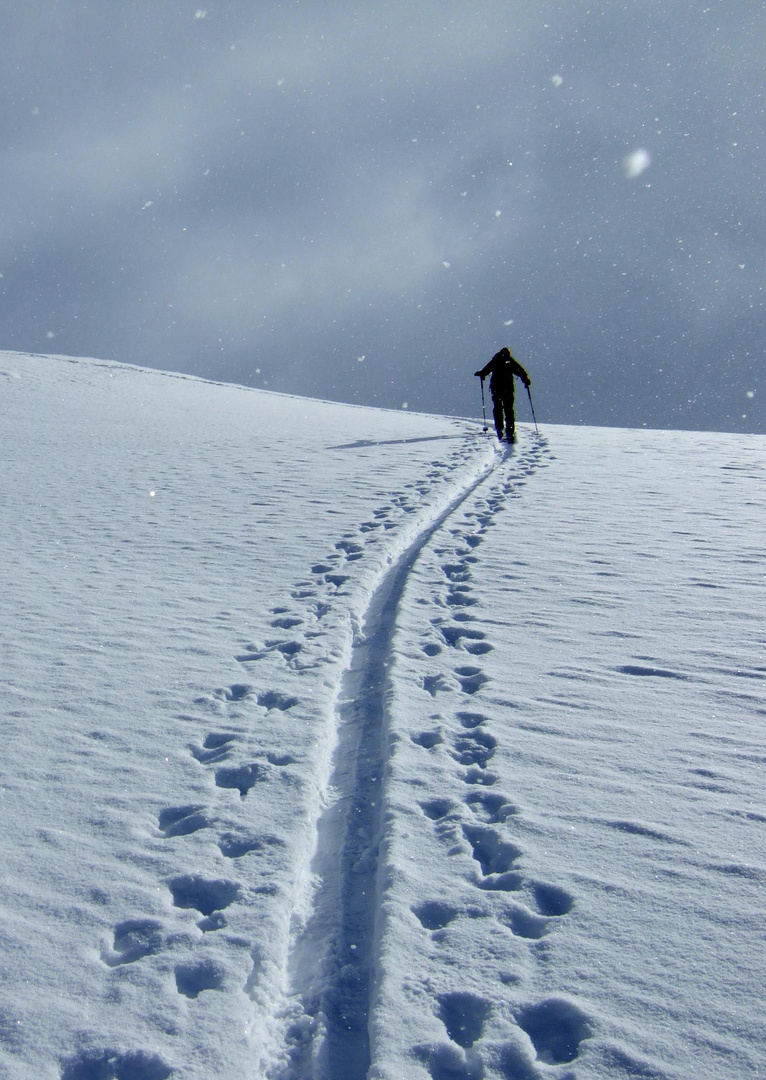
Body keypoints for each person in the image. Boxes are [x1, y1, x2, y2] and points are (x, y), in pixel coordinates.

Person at [475, 347, 531, 442]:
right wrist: (526, 381)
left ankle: (499, 429)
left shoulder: (496, 360)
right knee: (508, 409)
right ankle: (510, 431)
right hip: (508, 388)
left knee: (498, 408)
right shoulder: (510, 361)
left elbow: (485, 370)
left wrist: (481, 374)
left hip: (496, 388)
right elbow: (521, 372)